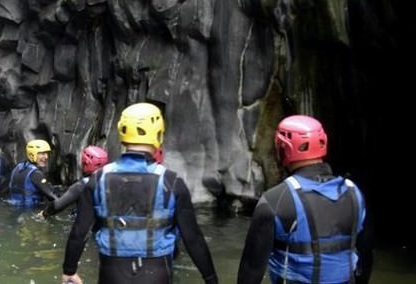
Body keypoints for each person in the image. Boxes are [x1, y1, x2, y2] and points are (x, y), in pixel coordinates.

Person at [61, 102, 218, 284]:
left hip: (112, 275)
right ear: (158, 133)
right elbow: (193, 239)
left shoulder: (98, 180)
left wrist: (69, 270)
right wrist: (211, 278)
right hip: (157, 275)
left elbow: (79, 232)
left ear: (122, 133)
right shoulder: (172, 182)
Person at [237, 115, 373, 284]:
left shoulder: (275, 200)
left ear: (283, 148)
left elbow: (250, 274)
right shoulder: (355, 195)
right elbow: (365, 262)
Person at [42, 145, 108, 218]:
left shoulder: (81, 185)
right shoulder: (111, 182)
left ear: (86, 163)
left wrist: (44, 214)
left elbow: (58, 205)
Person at [8, 139, 58, 208]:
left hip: (14, 208)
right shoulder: (36, 174)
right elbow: (52, 197)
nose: (46, 157)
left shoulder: (17, 168)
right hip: (31, 211)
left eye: (47, 153)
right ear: (32, 154)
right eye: (42, 153)